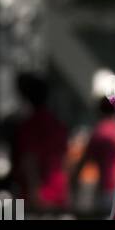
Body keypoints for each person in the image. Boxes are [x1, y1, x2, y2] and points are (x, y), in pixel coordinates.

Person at [11, 72, 69, 213]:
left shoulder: (29, 126)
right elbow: (64, 160)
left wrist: (34, 193)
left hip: (38, 198)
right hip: (60, 194)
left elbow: (29, 160)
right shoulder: (58, 125)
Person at [72, 98, 115, 216]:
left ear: (99, 111)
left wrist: (72, 182)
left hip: (107, 189)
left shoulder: (100, 131)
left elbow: (84, 161)